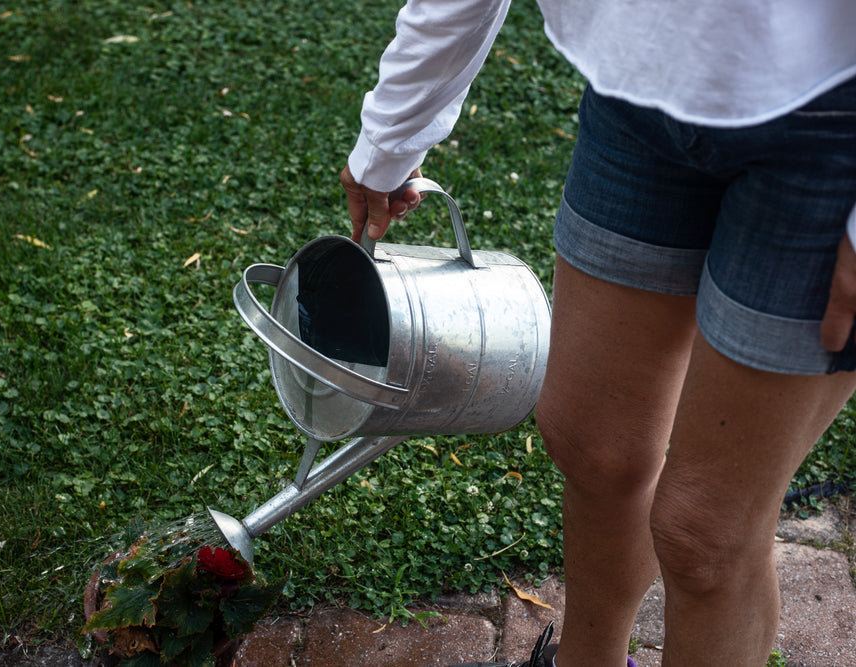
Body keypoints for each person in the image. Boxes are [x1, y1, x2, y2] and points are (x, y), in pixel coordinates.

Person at [340, 1, 856, 666]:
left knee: (706, 532)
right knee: (591, 444)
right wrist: (393, 132)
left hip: (831, 127)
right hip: (637, 85)